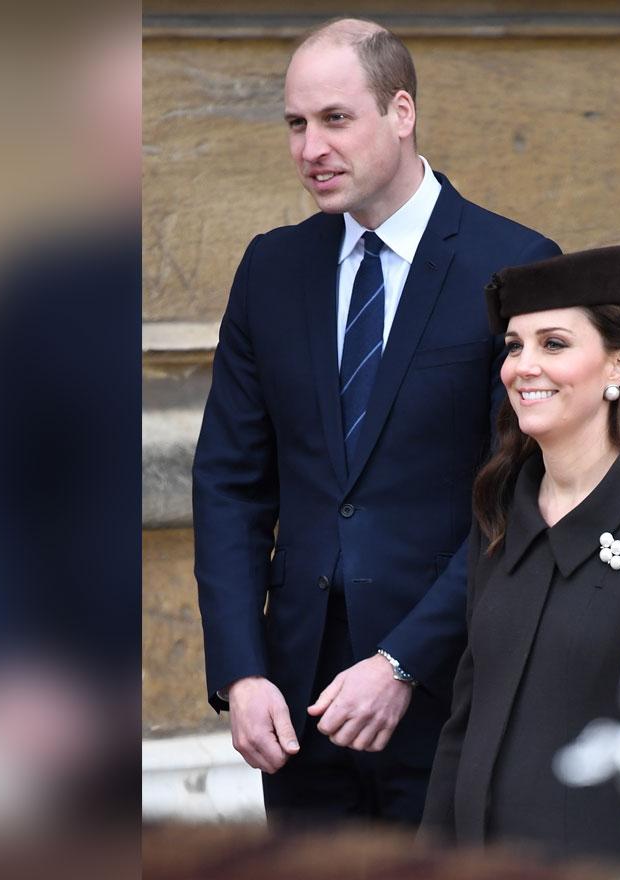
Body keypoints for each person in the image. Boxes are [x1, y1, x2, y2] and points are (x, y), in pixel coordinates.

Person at [191, 17, 560, 827]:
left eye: (334, 119)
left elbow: (529, 492)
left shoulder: (518, 268)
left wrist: (403, 662)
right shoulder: (271, 269)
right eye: (295, 124)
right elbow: (229, 483)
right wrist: (242, 672)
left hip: (452, 692)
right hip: (298, 706)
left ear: (401, 112)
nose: (309, 147)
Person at [419, 246, 620, 861]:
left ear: (619, 364)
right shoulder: (500, 504)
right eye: (514, 346)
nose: (523, 366)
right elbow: (465, 718)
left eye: (554, 344)